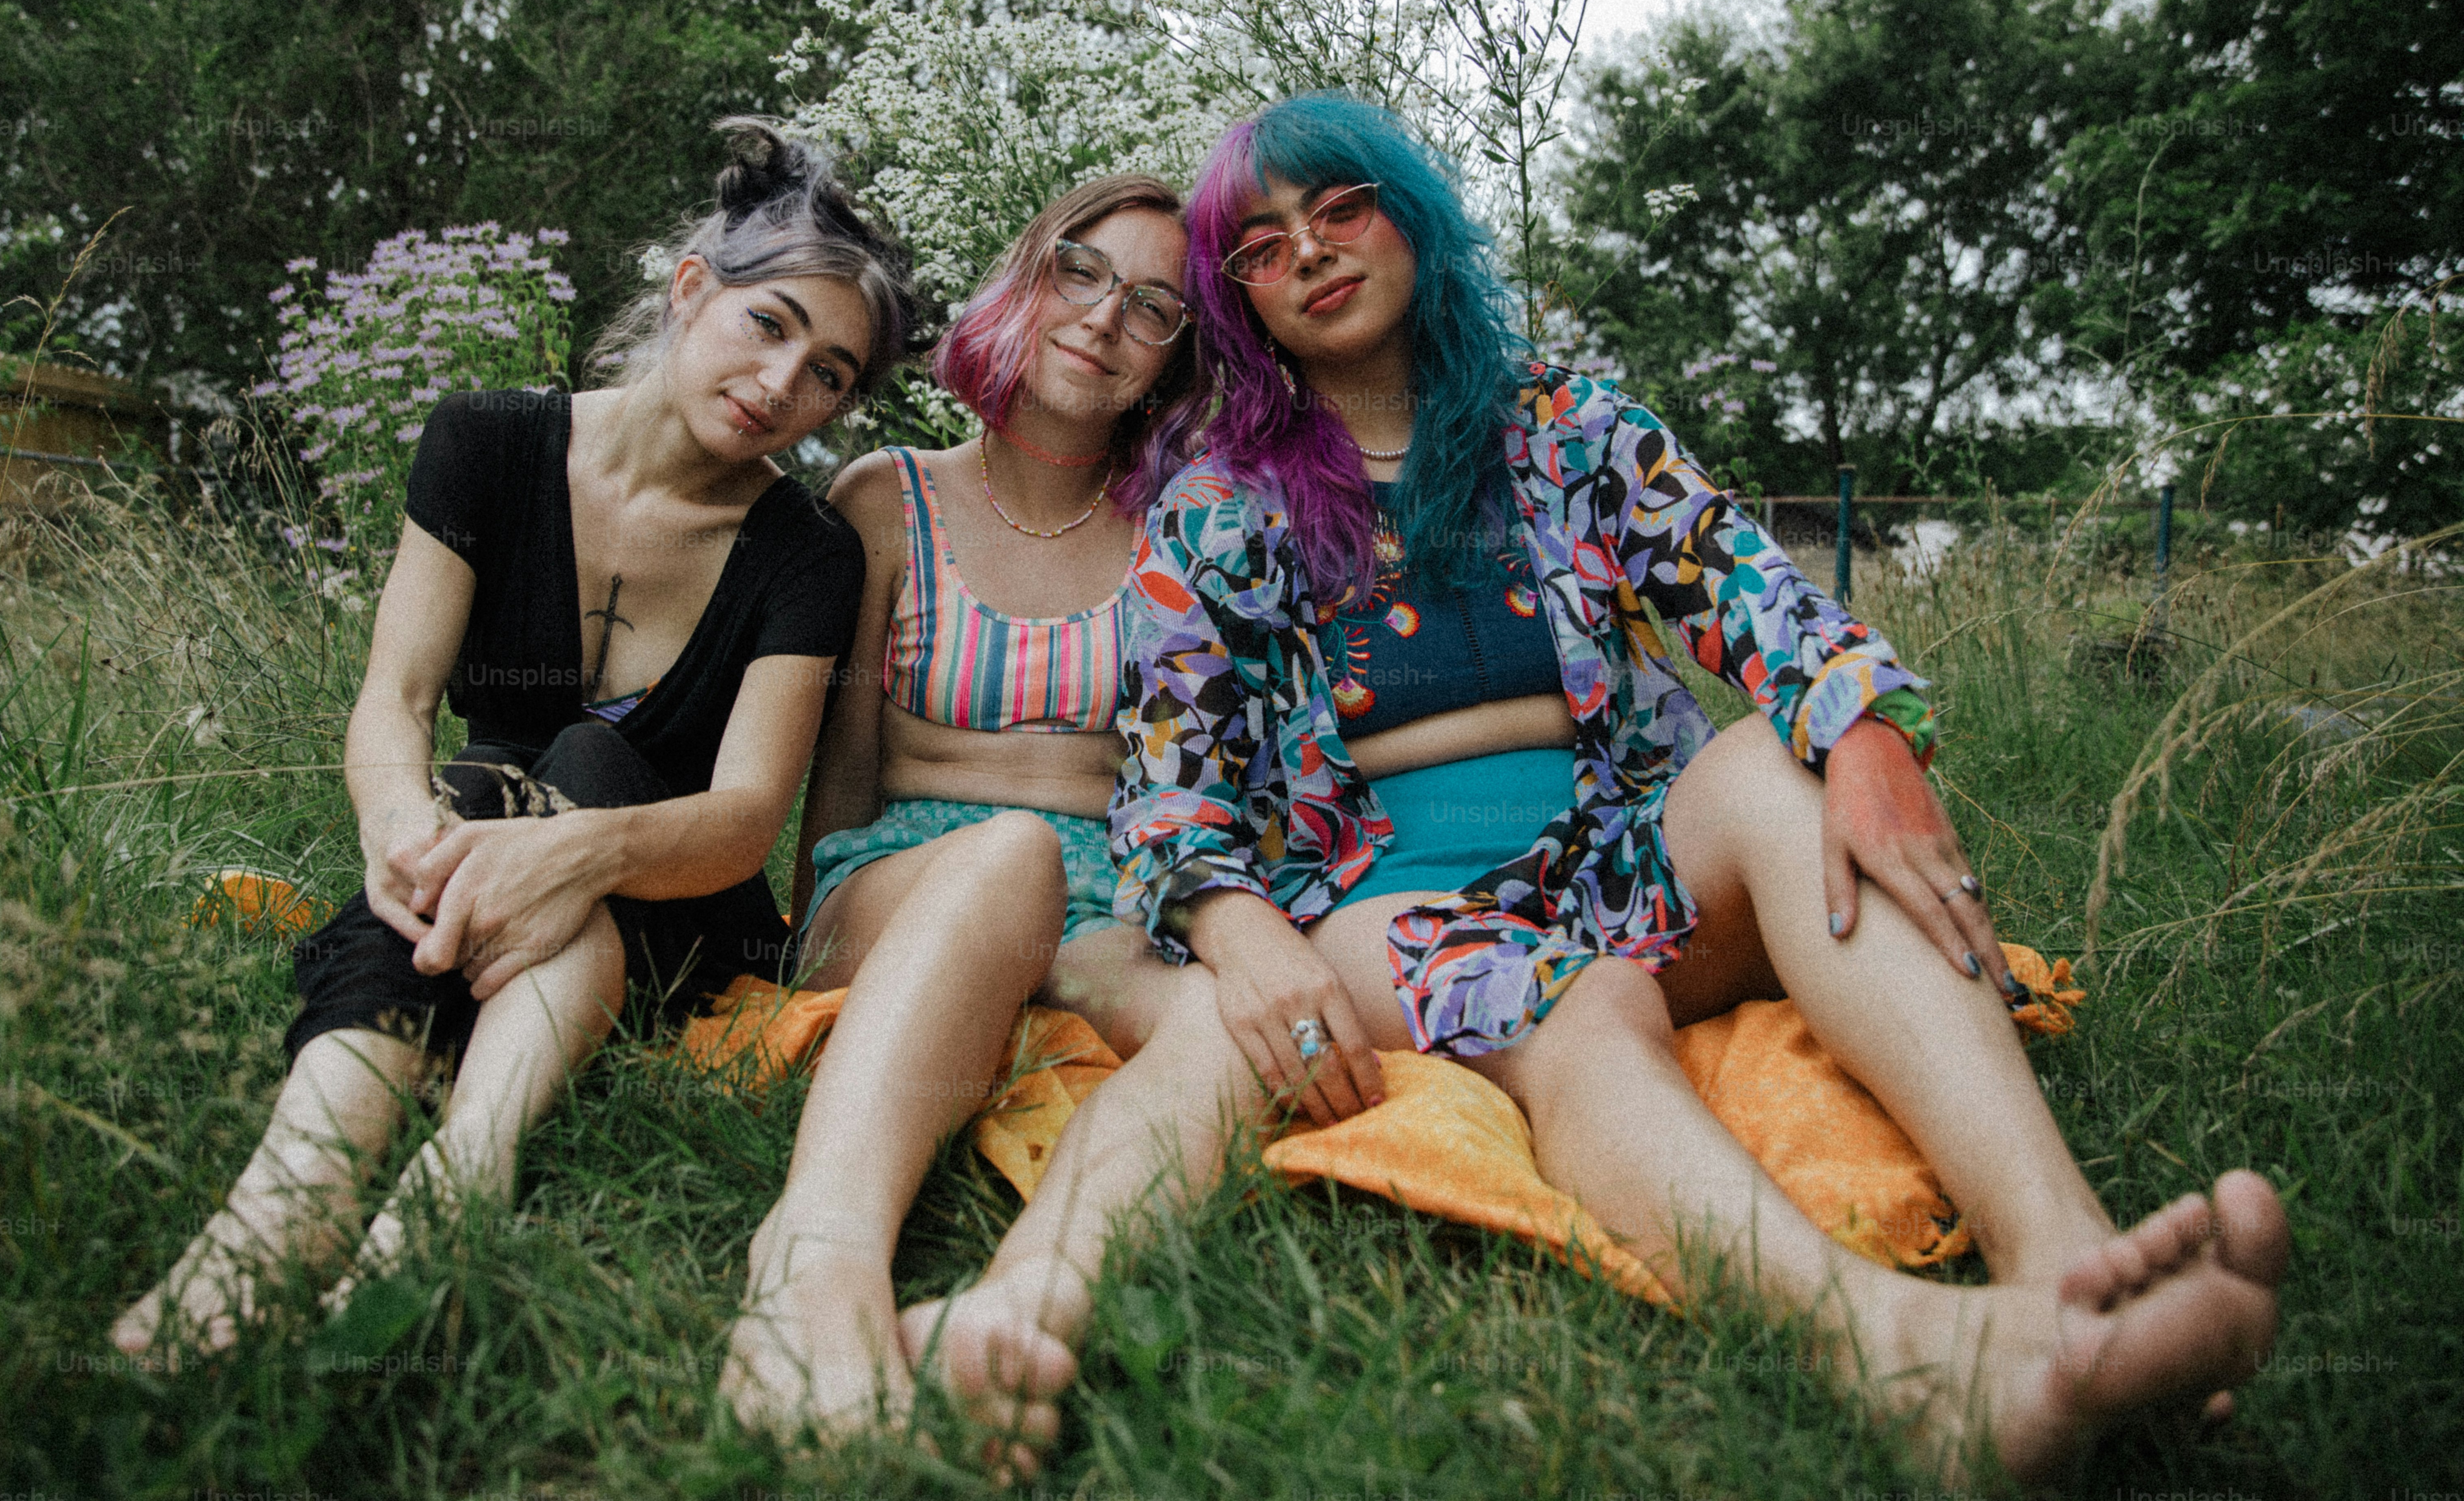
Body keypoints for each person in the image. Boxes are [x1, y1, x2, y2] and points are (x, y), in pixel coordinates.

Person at [910, 93, 2290, 1483]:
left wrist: (1867, 736)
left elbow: (1750, 596)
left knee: (1771, 762)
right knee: (1574, 1004)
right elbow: (1171, 781)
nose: (1314, 253)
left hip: (1620, 857)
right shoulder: (1221, 502)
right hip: (1390, 910)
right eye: (1264, 245)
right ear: (1241, 298)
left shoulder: (1568, 428)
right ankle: (1904, 1365)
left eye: (1342, 208)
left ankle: (2072, 1268)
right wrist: (1233, 924)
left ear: (1410, 214)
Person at [113, 122, 917, 1361]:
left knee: (583, 767)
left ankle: (459, 1180)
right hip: (473, 860)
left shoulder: (807, 551)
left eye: (831, 375)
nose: (785, 384)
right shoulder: (485, 442)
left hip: (680, 900)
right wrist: (399, 829)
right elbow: (396, 698)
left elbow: (749, 813)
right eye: (772, 325)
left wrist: (579, 854)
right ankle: (286, 1211)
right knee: (477, 784)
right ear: (693, 288)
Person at [717, 175, 1201, 1447]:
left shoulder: (1183, 531)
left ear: (1174, 359)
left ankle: (1007, 1311)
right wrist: (817, 918)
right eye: (1082, 273)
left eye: (1154, 306)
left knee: (1230, 1029)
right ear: (1030, 278)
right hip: (909, 875)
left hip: (1104, 895)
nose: (1104, 319)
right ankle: (810, 1260)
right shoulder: (889, 500)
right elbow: (844, 768)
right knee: (1005, 859)